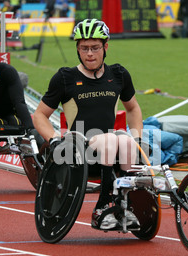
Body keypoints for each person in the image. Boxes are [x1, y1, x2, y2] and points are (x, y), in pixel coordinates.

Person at [32, 19, 144, 230]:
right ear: (77, 49)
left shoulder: (119, 74)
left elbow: (133, 108)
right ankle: (101, 206)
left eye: (95, 48)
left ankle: (125, 206)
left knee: (127, 142)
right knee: (111, 138)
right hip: (79, 150)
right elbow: (39, 115)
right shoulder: (65, 78)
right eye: (84, 48)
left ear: (106, 47)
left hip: (111, 149)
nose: (90, 53)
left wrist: (137, 137)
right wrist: (54, 140)